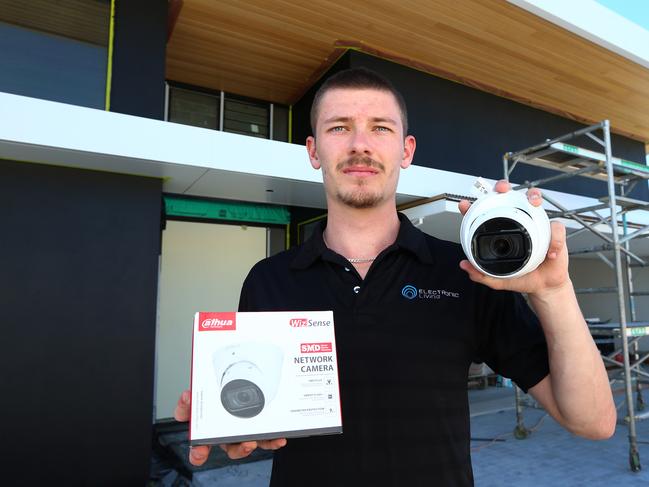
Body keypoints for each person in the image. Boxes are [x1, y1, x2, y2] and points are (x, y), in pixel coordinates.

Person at [175, 67, 615, 485]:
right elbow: (254, 409)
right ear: (314, 151)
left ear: (406, 151)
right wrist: (229, 424)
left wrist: (555, 290)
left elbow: (593, 421)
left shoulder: (465, 271)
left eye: (380, 128)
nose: (360, 145)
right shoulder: (268, 279)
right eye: (339, 127)